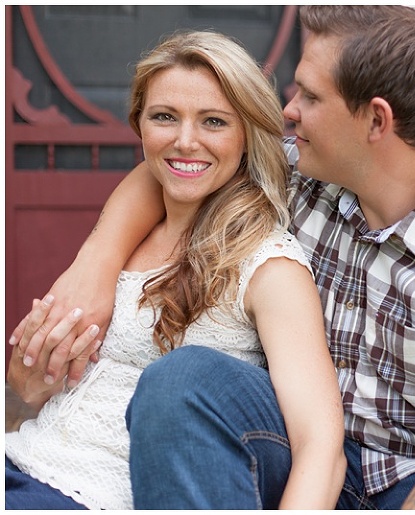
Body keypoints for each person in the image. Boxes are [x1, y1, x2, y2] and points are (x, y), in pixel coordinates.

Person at [11, 6, 415, 510]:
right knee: (183, 381)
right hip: (290, 448)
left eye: (311, 97)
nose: (289, 111)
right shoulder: (301, 173)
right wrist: (95, 264)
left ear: (376, 120)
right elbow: (173, 166)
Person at [5, 29, 346, 510]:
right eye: (164, 117)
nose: (185, 142)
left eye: (214, 122)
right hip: (23, 462)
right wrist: (32, 381)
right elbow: (30, 398)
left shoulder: (268, 265)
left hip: (100, 495)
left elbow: (320, 446)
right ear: (139, 124)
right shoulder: (127, 237)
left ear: (247, 135)